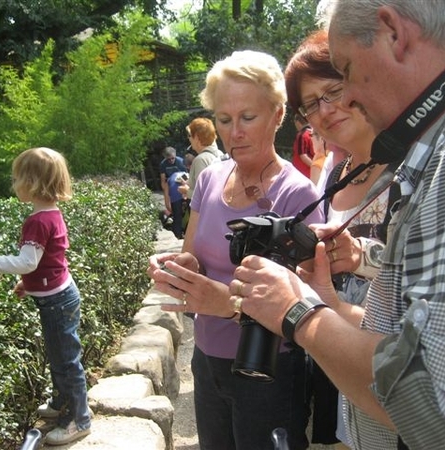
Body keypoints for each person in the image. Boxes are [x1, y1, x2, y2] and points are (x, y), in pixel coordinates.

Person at [231, 1, 445, 449]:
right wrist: (328, 304)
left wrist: (298, 313)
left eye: (346, 70)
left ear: (393, 31)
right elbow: (417, 338)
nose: (346, 97)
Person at [147, 50, 323, 450]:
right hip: (206, 362)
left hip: (269, 370)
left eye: (248, 117)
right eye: (224, 119)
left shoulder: (299, 195)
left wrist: (227, 303)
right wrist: (177, 267)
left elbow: (309, 308)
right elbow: (193, 254)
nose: (235, 132)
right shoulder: (209, 179)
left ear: (277, 115)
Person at [285, 28, 401, 449]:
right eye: (311, 103)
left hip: (389, 348)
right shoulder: (337, 172)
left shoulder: (409, 166)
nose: (325, 110)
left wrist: (360, 257)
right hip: (337, 333)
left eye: (332, 91)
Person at [0, 147, 91, 446]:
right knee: (58, 356)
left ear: (32, 182)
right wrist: (28, 284)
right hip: (57, 295)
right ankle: (60, 405)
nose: (14, 181)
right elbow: (49, 260)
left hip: (57, 301)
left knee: (67, 361)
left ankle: (80, 420)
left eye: (17, 176)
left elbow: (28, 261)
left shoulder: (38, 221)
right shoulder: (49, 213)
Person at [178, 117, 224, 200]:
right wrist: (189, 182)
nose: (189, 138)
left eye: (189, 135)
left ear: (196, 137)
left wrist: (186, 191)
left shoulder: (201, 160)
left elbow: (205, 196)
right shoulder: (220, 154)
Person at [160, 146, 187, 239]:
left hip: (182, 185)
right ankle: (178, 234)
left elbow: (187, 176)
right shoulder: (163, 164)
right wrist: (166, 196)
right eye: (169, 159)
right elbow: (163, 181)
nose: (171, 161)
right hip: (171, 186)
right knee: (176, 213)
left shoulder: (180, 162)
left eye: (173, 158)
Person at [292, 114, 315, 178]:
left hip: (302, 173)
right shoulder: (313, 133)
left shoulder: (302, 135)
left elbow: (303, 155)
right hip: (311, 173)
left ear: (297, 122)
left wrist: (314, 166)